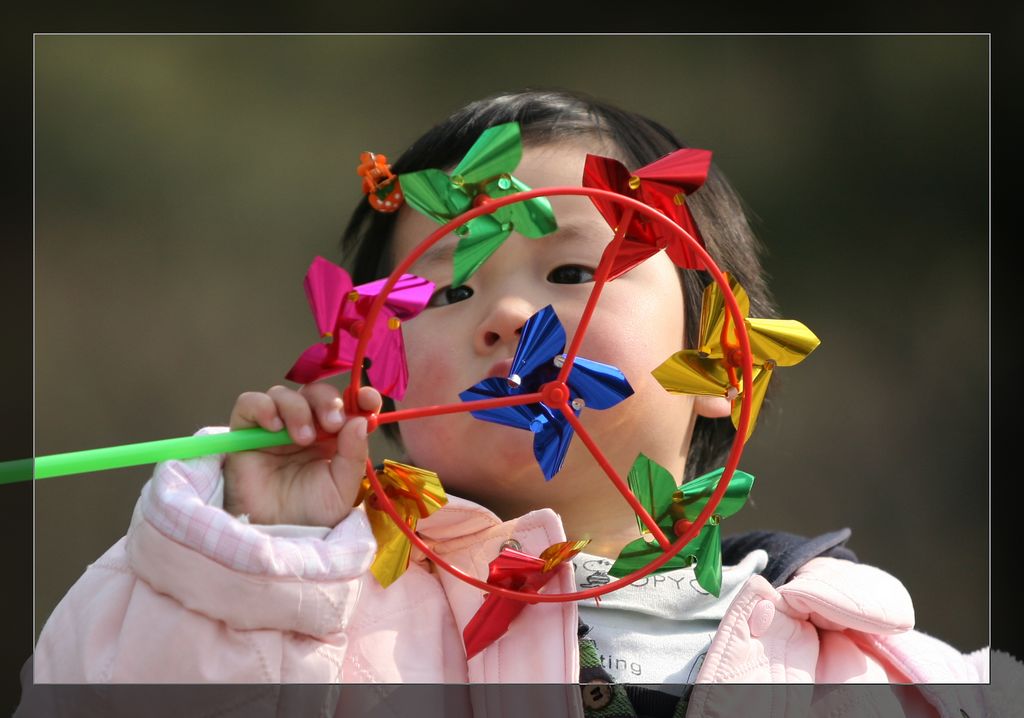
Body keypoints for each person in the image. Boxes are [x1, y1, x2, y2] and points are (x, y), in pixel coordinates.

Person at [28, 89, 992, 717]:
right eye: (446, 290)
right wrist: (254, 569)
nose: (509, 314)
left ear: (723, 366)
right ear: (374, 369)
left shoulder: (877, 674)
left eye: (575, 267)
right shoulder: (306, 600)